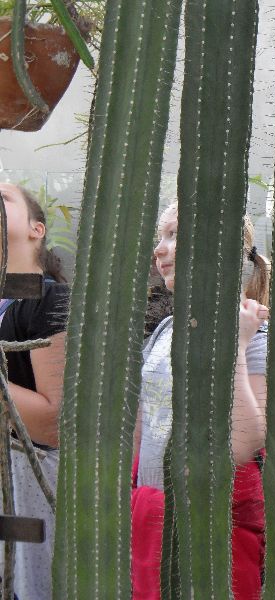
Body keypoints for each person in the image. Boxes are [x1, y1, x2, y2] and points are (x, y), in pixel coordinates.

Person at [131, 203, 269, 600]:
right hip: (150, 515)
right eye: (160, 236)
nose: (159, 249)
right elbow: (142, 426)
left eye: (174, 235)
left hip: (212, 527)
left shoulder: (256, 336)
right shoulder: (164, 331)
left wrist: (236, 344)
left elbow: (244, 441)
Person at [0, 182, 69, 600]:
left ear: (36, 229)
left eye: (3, 197)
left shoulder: (51, 298)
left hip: (33, 481)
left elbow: (52, 422)